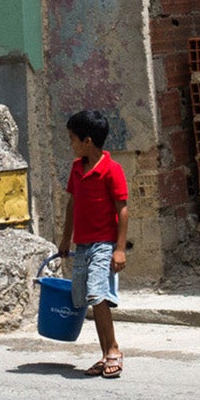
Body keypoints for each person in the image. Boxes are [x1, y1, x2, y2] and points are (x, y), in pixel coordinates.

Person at [58, 109, 129, 378]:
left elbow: (122, 210)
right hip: (84, 245)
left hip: (104, 244)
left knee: (98, 295)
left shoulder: (112, 170)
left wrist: (119, 249)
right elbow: (71, 205)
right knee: (86, 297)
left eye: (72, 139)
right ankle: (104, 353)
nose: (70, 144)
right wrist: (66, 237)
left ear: (87, 141)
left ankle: (113, 350)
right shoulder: (77, 169)